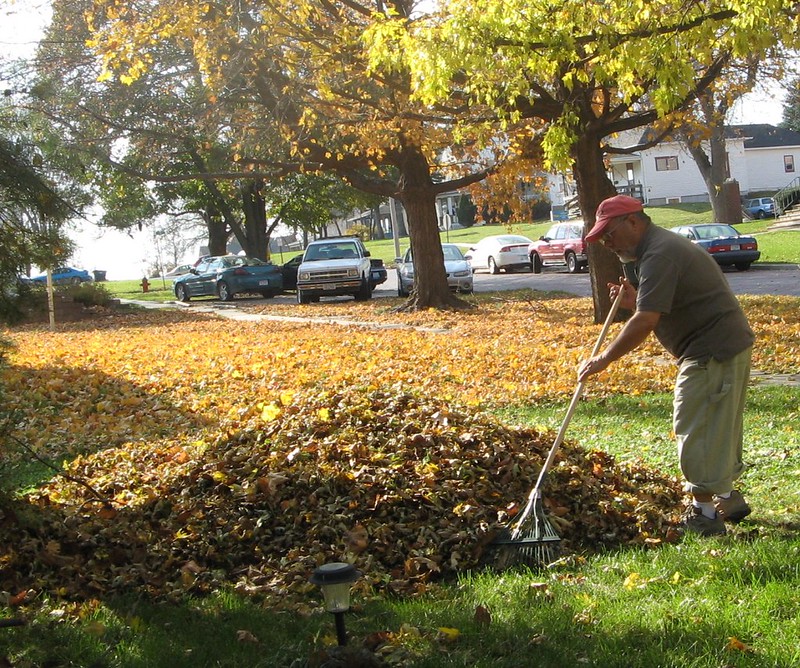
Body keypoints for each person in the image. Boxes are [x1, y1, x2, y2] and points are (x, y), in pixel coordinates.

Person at [578, 194, 754, 536]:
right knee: (718, 422)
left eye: (609, 234)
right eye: (600, 239)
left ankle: (704, 514)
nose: (606, 243)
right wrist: (635, 300)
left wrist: (604, 359)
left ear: (633, 221)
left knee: (695, 423)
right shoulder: (653, 251)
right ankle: (727, 497)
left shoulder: (659, 253)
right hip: (721, 342)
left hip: (712, 347)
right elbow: (657, 306)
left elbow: (645, 321)